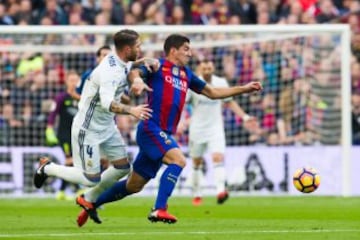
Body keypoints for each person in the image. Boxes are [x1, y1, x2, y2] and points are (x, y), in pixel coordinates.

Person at [76, 34, 262, 226]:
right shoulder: (157, 66)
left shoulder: (186, 74)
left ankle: (90, 202)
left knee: (134, 185)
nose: (190, 53)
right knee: (179, 160)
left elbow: (213, 92)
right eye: (186, 49)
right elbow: (134, 71)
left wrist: (244, 89)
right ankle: (159, 209)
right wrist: (138, 81)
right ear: (173, 50)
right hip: (151, 127)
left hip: (163, 132)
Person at [33, 29, 156, 219]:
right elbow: (107, 104)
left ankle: (88, 199)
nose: (140, 49)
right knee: (90, 178)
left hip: (107, 127)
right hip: (87, 128)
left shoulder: (122, 60)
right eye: (138, 46)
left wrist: (144, 61)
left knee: (123, 168)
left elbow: (130, 66)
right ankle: (47, 167)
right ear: (126, 48)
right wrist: (132, 110)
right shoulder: (110, 72)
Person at [187, 59, 259, 206]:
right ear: (200, 69)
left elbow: (230, 101)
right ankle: (197, 193)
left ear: (213, 68)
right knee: (196, 163)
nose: (207, 70)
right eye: (204, 68)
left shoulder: (220, 83)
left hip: (215, 128)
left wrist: (244, 116)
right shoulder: (193, 84)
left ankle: (220, 190)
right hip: (197, 128)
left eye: (209, 67)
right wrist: (180, 121)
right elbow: (183, 102)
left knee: (218, 157)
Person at [45, 70, 81, 200]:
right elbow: (53, 113)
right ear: (66, 82)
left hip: (78, 136)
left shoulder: (82, 97)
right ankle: (72, 190)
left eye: (76, 80)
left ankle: (64, 191)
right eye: (71, 80)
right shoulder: (61, 97)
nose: (73, 83)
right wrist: (49, 128)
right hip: (65, 135)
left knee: (73, 163)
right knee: (69, 161)